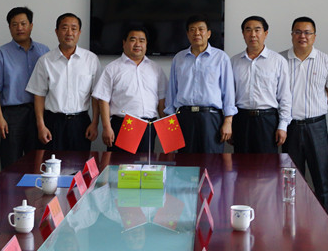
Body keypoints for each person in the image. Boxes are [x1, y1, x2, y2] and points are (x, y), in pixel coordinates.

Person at [0, 7, 50, 169]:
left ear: (31, 26)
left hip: (39, 113)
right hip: (12, 115)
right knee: (11, 162)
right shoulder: (0, 54)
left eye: (23, 23)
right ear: (9, 27)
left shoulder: (44, 51)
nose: (19, 28)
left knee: (38, 162)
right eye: (14, 24)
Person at [281, 16, 328, 204]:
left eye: (307, 32)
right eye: (298, 32)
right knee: (290, 178)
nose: (302, 36)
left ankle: (326, 218)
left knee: (322, 177)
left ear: (314, 36)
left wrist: (319, 103)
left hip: (316, 126)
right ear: (292, 35)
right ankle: (292, 218)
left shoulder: (326, 60)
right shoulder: (280, 60)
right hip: (290, 127)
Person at [26, 13, 101, 151]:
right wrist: (41, 126)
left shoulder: (91, 60)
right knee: (52, 163)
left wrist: (95, 123)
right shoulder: (45, 61)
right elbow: (39, 95)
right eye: (64, 28)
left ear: (79, 32)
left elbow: (96, 96)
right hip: (53, 122)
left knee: (79, 163)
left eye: (74, 28)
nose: (69, 33)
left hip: (80, 123)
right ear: (57, 32)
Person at [164, 14, 236, 153]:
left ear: (208, 33)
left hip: (211, 118)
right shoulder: (179, 58)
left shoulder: (221, 58)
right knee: (185, 161)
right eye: (192, 30)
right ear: (187, 34)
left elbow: (228, 92)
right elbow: (172, 92)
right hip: (184, 117)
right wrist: (170, 123)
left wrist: (228, 121)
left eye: (201, 29)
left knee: (211, 162)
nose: (196, 33)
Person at [93, 25, 166, 153]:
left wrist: (167, 133)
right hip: (124, 125)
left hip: (149, 126)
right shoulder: (112, 68)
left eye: (142, 40)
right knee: (120, 164)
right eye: (133, 40)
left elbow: (162, 101)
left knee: (146, 164)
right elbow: (103, 100)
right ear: (124, 43)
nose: (138, 44)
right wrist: (106, 128)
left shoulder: (156, 69)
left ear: (146, 44)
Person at [230, 15, 291, 154]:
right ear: (243, 34)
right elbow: (229, 96)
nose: (253, 34)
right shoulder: (234, 62)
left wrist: (283, 126)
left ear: (265, 33)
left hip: (267, 120)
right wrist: (229, 123)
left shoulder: (278, 61)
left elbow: (285, 97)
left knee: (266, 164)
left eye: (257, 30)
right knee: (241, 163)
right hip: (241, 119)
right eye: (248, 30)